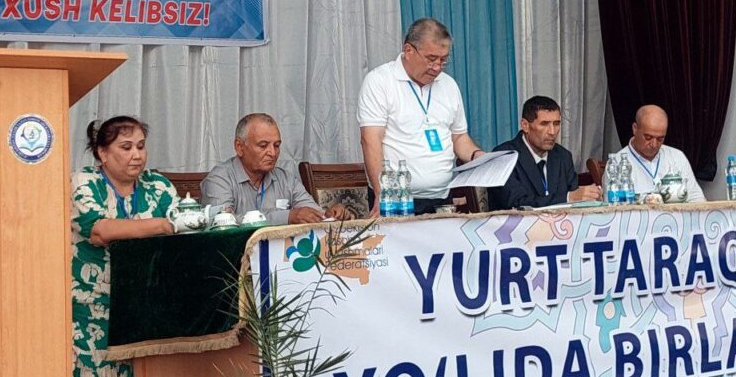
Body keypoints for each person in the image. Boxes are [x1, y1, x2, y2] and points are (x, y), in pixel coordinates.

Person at [70, 116, 178, 377]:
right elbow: (100, 230)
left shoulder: (158, 185)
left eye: (141, 147)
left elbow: (184, 226)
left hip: (144, 296)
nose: (137, 155)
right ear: (102, 153)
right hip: (93, 297)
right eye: (126, 147)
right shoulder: (83, 183)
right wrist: (161, 225)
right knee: (97, 371)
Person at [358, 18, 484, 215]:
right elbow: (370, 140)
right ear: (409, 50)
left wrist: (478, 156)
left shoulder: (449, 85)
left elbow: (458, 137)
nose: (437, 67)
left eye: (443, 60)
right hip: (397, 200)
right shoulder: (380, 81)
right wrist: (382, 194)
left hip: (443, 198)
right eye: (431, 59)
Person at [201, 113, 349, 225]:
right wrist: (287, 217)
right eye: (263, 145)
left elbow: (313, 214)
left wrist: (331, 215)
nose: (272, 153)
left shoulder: (285, 179)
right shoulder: (219, 179)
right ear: (239, 147)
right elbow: (221, 223)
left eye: (276, 145)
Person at [489, 95, 602, 210]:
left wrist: (589, 196)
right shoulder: (503, 157)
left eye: (556, 124)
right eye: (544, 124)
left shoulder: (563, 156)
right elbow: (517, 203)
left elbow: (575, 197)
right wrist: (568, 198)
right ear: (525, 126)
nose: (552, 132)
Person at [616, 104, 706, 202]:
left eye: (660, 139)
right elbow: (614, 206)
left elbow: (697, 199)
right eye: (648, 137)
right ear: (635, 128)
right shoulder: (616, 163)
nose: (654, 144)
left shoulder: (677, 157)